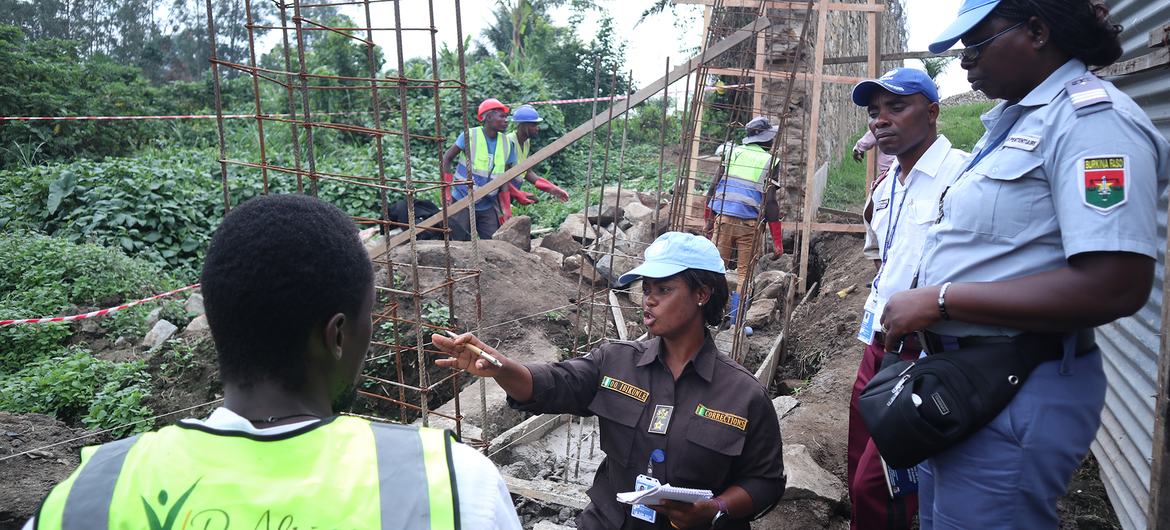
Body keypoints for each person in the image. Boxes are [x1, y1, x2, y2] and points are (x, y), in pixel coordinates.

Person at [26, 194, 521, 530]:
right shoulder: (453, 485)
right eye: (369, 316)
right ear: (338, 335)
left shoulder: (85, 496)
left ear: (219, 319)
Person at [879, 0, 1169, 527]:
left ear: (1036, 31)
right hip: (966, 382)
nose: (965, 60)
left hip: (1015, 384)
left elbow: (1115, 284)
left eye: (977, 43)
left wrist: (940, 301)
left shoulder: (1093, 125)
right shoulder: (1016, 123)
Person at [433, 232, 786, 530]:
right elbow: (553, 384)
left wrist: (715, 510)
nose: (649, 300)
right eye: (647, 289)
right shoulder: (615, 362)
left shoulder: (743, 395)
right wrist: (500, 368)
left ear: (702, 294)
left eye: (664, 289)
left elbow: (765, 482)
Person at [846, 67, 970, 530]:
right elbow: (883, 259)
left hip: (925, 350)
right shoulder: (886, 187)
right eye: (875, 111)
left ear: (932, 111)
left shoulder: (963, 177)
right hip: (878, 342)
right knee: (858, 457)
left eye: (897, 107)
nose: (881, 120)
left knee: (880, 482)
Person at [704, 117, 784, 269]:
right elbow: (770, 202)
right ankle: (742, 286)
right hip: (749, 223)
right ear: (765, 140)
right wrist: (777, 241)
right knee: (744, 272)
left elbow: (713, 187)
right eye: (771, 138)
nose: (772, 141)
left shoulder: (731, 152)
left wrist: (708, 220)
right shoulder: (771, 161)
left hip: (724, 219)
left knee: (716, 268)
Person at [441, 97, 520, 240]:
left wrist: (506, 208)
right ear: (489, 117)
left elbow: (504, 177)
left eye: (506, 117)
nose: (506, 120)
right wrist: (447, 190)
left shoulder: (507, 143)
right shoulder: (470, 136)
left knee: (493, 242)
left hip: (487, 203)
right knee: (458, 242)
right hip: (462, 199)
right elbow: (447, 158)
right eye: (501, 116)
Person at [497, 104, 570, 223]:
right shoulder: (509, 142)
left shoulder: (526, 142)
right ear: (523, 125)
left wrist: (553, 189)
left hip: (510, 193)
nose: (537, 128)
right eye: (533, 125)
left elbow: (526, 171)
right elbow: (500, 177)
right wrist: (518, 194)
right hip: (499, 195)